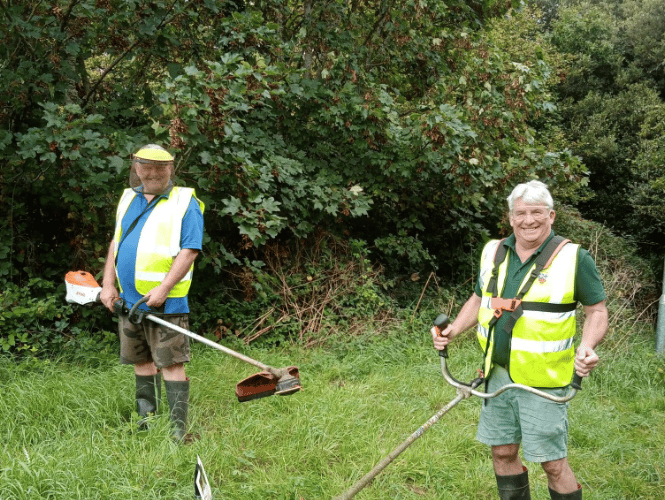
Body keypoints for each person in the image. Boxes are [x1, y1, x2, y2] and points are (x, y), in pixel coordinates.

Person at [431, 180, 608, 500]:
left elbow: (597, 310)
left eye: (537, 212)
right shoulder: (493, 252)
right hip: (496, 374)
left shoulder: (573, 258)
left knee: (553, 464)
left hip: (543, 380)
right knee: (502, 452)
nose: (529, 220)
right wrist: (453, 329)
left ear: (551, 215)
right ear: (511, 218)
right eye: (521, 213)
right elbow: (478, 299)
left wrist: (587, 346)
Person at [100, 144, 204, 442]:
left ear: (171, 170)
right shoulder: (127, 199)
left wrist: (164, 289)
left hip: (166, 303)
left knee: (171, 364)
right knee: (141, 361)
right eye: (146, 166)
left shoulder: (184, 202)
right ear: (136, 168)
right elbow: (116, 244)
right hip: (129, 303)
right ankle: (145, 423)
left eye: (161, 167)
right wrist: (108, 285)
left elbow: (190, 250)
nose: (153, 173)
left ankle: (177, 431)